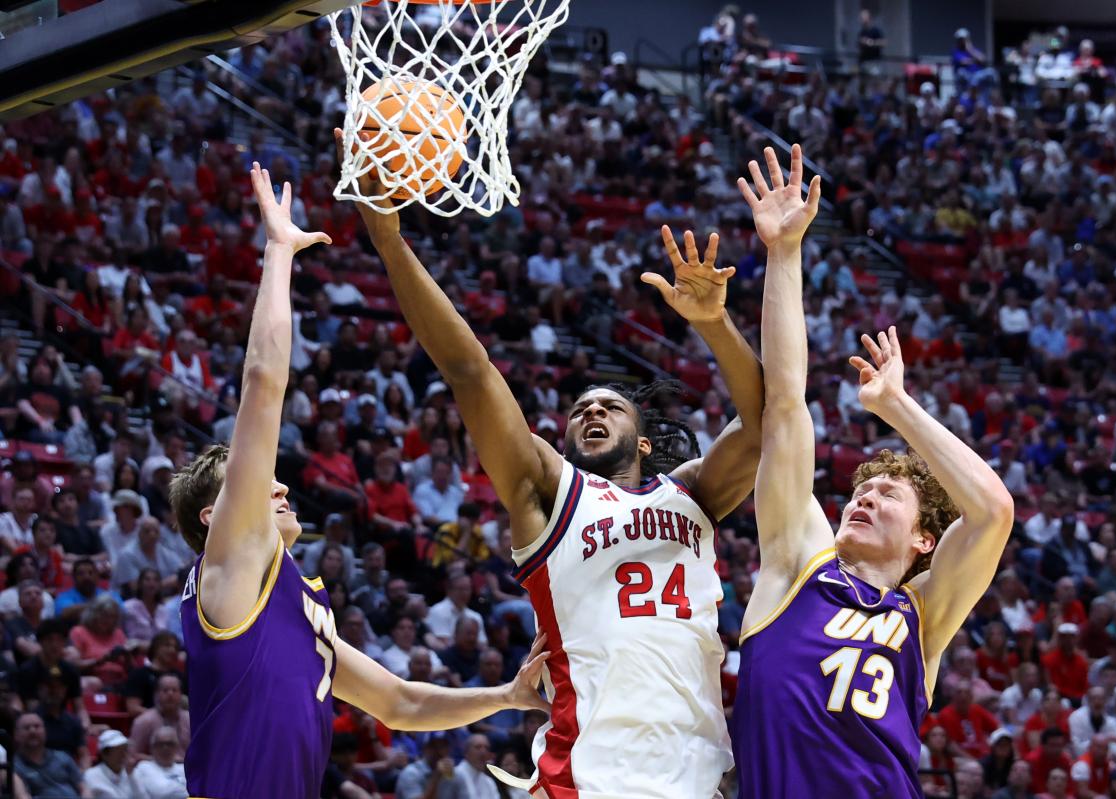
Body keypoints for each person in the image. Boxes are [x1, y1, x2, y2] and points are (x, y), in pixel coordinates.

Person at [343, 125, 765, 798]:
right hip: (585, 777)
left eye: (610, 406)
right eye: (579, 409)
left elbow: (770, 422)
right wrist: (390, 241)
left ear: (646, 440)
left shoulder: (693, 493)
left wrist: (714, 323)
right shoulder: (549, 494)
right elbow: (469, 371)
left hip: (697, 776)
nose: (591, 412)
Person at [168, 164, 549, 799]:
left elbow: (400, 703)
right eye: (264, 484)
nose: (283, 488)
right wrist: (278, 251)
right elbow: (263, 384)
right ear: (215, 516)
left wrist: (507, 696)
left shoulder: (295, 610)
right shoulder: (231, 559)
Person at [730, 145, 1015, 798]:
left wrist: (896, 405)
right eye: (859, 490)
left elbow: (994, 512)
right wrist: (783, 252)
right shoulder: (795, 564)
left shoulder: (924, 614)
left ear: (925, 539)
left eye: (887, 494)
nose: (862, 499)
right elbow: (783, 406)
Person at [12, 712, 86, 798]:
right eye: (26, 728)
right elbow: (22, 796)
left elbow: (84, 788)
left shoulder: (63, 757)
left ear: (45, 731)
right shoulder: (14, 766)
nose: (32, 731)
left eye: (37, 726)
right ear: (16, 735)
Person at [131, 727, 187, 799]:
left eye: (169, 744)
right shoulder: (144, 767)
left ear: (176, 747)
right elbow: (161, 792)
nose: (165, 748)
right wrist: (183, 787)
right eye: (160, 744)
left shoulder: (183, 769)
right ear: (152, 748)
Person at [83, 730, 135, 798]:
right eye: (118, 751)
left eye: (125, 749)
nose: (123, 755)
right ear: (104, 754)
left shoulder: (131, 773)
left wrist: (132, 777)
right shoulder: (90, 776)